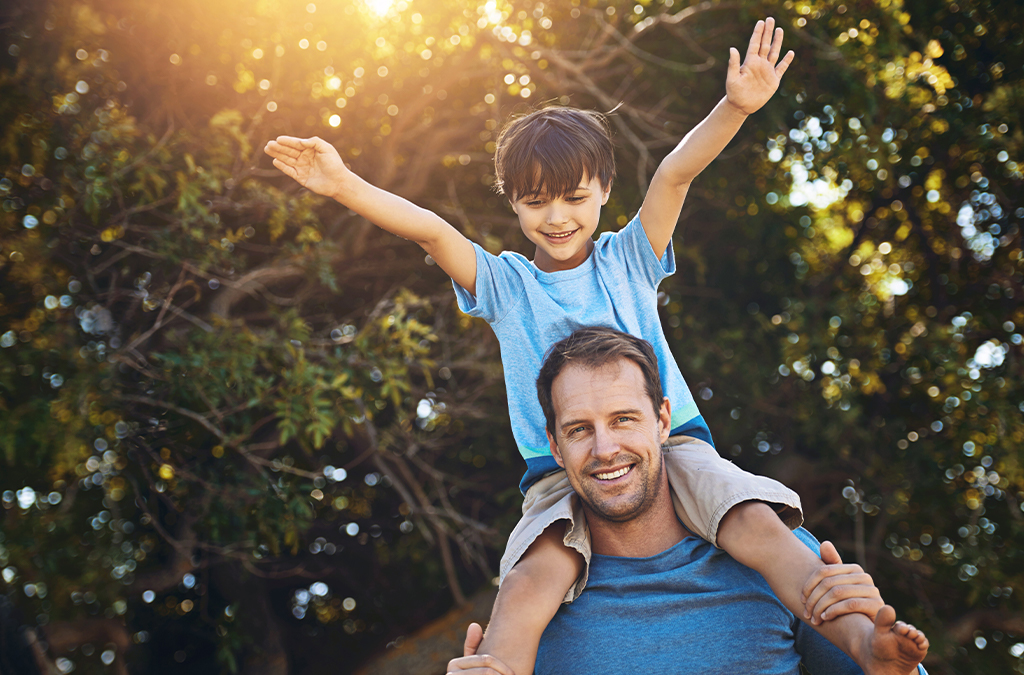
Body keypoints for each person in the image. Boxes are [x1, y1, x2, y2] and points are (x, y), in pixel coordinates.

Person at [265, 18, 877, 674]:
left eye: (574, 198)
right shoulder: (507, 285)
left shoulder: (629, 259)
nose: (556, 217)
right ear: (514, 204)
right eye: (536, 203)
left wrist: (735, 106)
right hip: (557, 472)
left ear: (604, 191)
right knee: (530, 581)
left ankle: (872, 647)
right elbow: (433, 233)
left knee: (760, 529)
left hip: (673, 448)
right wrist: (344, 185)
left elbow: (673, 174)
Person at [447, 327, 930, 675]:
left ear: (662, 422)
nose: (604, 449)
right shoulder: (541, 593)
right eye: (579, 430)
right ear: (554, 447)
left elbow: (882, 663)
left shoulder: (776, 555)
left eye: (623, 420)